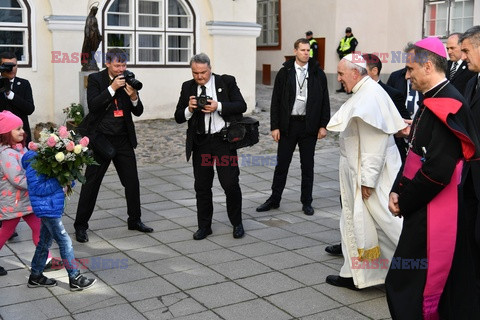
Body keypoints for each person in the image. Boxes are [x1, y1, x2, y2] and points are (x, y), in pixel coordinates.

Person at [386, 38, 480, 319]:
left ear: (427, 66)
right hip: (424, 202)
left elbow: (438, 170)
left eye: (410, 68)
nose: (406, 75)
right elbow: (416, 150)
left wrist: (404, 201)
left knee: (406, 279)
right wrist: (396, 187)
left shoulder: (448, 102)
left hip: (433, 207)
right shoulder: (435, 97)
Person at [325, 53, 406, 290]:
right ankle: (353, 275)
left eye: (341, 74)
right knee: (352, 222)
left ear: (355, 73)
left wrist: (368, 181)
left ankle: (421, 270)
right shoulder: (367, 90)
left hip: (371, 176)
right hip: (359, 172)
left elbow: (373, 146)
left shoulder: (368, 97)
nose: (338, 78)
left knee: (387, 225)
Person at [74, 48, 153, 243]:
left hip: (123, 138)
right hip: (101, 138)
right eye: (117, 65)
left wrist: (133, 96)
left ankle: (135, 220)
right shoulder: (96, 79)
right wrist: (112, 88)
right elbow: (93, 106)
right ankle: (81, 225)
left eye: (124, 65)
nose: (121, 69)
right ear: (108, 63)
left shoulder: (128, 78)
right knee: (91, 184)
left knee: (132, 182)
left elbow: (139, 111)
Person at [174, 53, 246, 240]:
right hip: (201, 142)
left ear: (210, 68)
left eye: (203, 72)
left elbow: (241, 105)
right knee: (202, 186)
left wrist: (218, 106)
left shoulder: (226, 82)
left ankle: (237, 223)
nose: (199, 77)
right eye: (195, 73)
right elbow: (178, 117)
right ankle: (204, 226)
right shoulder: (187, 87)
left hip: (222, 141)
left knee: (230, 183)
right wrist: (189, 109)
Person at [256, 38, 330, 216]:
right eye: (303, 50)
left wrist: (323, 125)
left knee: (307, 165)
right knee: (282, 164)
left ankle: (307, 202)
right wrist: (275, 126)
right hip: (288, 125)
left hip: (308, 126)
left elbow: (325, 101)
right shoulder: (284, 72)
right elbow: (276, 101)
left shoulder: (318, 73)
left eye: (308, 50)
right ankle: (274, 199)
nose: (306, 53)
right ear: (295, 51)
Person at [22, 150, 97, 291]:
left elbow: (65, 184)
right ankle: (75, 278)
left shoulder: (52, 159)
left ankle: (36, 276)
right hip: (46, 208)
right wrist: (59, 180)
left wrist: (69, 177)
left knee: (44, 242)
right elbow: (38, 188)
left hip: (52, 206)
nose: (22, 131)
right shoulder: (33, 162)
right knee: (65, 241)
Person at [0, 111, 54, 276]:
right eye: (18, 129)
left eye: (22, 128)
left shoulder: (19, 148)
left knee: (38, 227)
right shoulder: (6, 154)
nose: (23, 131)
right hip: (13, 202)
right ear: (6, 132)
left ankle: (46, 259)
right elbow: (17, 178)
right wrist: (38, 185)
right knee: (5, 233)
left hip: (26, 200)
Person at [363, 53, 411, 163]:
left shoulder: (392, 94)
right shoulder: (357, 92)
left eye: (362, 70)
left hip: (387, 153)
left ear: (374, 71)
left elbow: (403, 123)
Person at [0, 52, 35, 145]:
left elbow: (30, 109)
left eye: (14, 65)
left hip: (21, 136)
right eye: (8, 65)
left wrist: (11, 94)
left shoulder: (24, 84)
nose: (12, 69)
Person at [336, 27, 358, 93]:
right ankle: (342, 88)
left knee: (349, 74)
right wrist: (339, 52)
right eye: (347, 32)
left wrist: (342, 52)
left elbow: (352, 49)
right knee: (342, 73)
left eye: (349, 32)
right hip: (343, 59)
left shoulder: (353, 39)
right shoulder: (343, 39)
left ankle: (350, 89)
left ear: (351, 32)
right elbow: (339, 48)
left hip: (349, 59)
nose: (348, 33)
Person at [81, 5, 103, 71]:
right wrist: (87, 35)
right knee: (89, 48)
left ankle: (91, 59)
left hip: (95, 36)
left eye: (96, 11)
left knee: (94, 48)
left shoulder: (95, 18)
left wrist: (99, 35)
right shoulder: (89, 18)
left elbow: (97, 28)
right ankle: (87, 61)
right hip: (90, 36)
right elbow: (87, 27)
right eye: (95, 11)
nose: (95, 12)